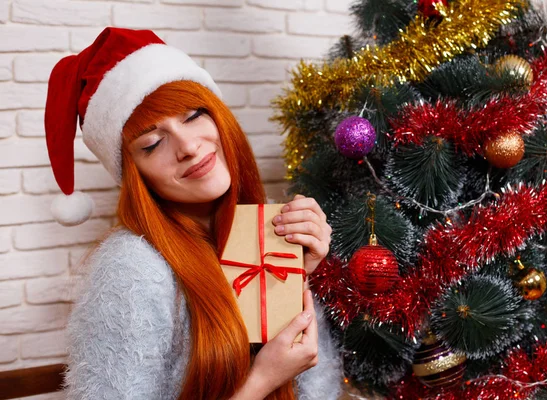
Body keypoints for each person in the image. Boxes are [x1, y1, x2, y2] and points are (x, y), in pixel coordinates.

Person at [44, 27, 343, 400]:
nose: (187, 146)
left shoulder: (254, 231)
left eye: (192, 116)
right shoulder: (131, 268)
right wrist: (259, 382)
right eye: (152, 144)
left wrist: (297, 275)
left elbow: (320, 391)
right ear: (135, 174)